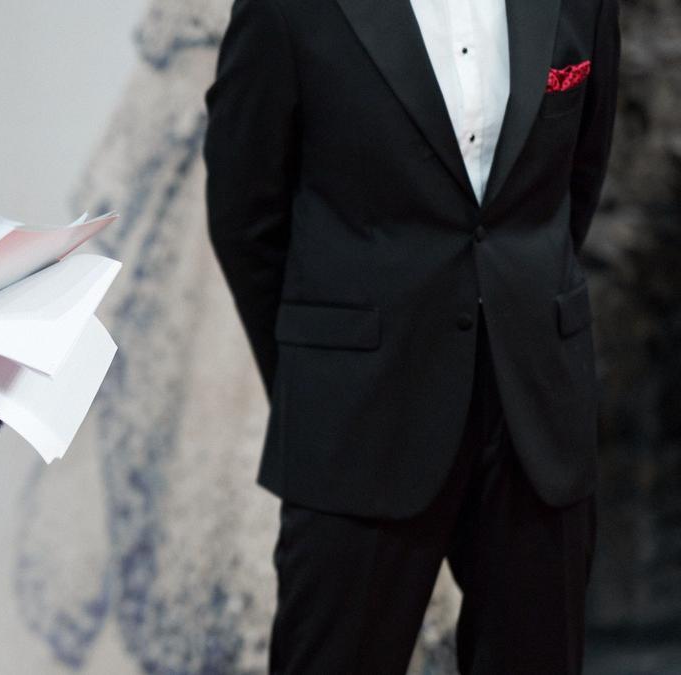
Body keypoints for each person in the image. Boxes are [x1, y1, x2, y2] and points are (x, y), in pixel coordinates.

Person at [205, 0, 619, 672]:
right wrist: (322, 371)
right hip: (357, 418)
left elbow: (580, 175)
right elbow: (245, 213)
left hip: (536, 411)